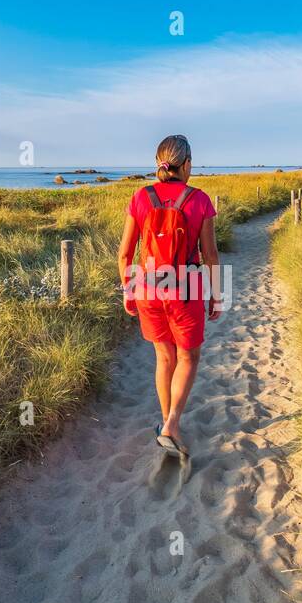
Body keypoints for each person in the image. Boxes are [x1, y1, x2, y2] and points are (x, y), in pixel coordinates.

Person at [117, 134, 222, 458]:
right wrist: (216, 296)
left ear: (159, 164)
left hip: (147, 287)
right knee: (188, 358)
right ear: (187, 164)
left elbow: (124, 255)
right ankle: (172, 424)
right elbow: (211, 255)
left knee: (164, 358)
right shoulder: (199, 199)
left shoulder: (141, 197)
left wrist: (128, 290)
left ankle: (166, 423)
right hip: (185, 288)